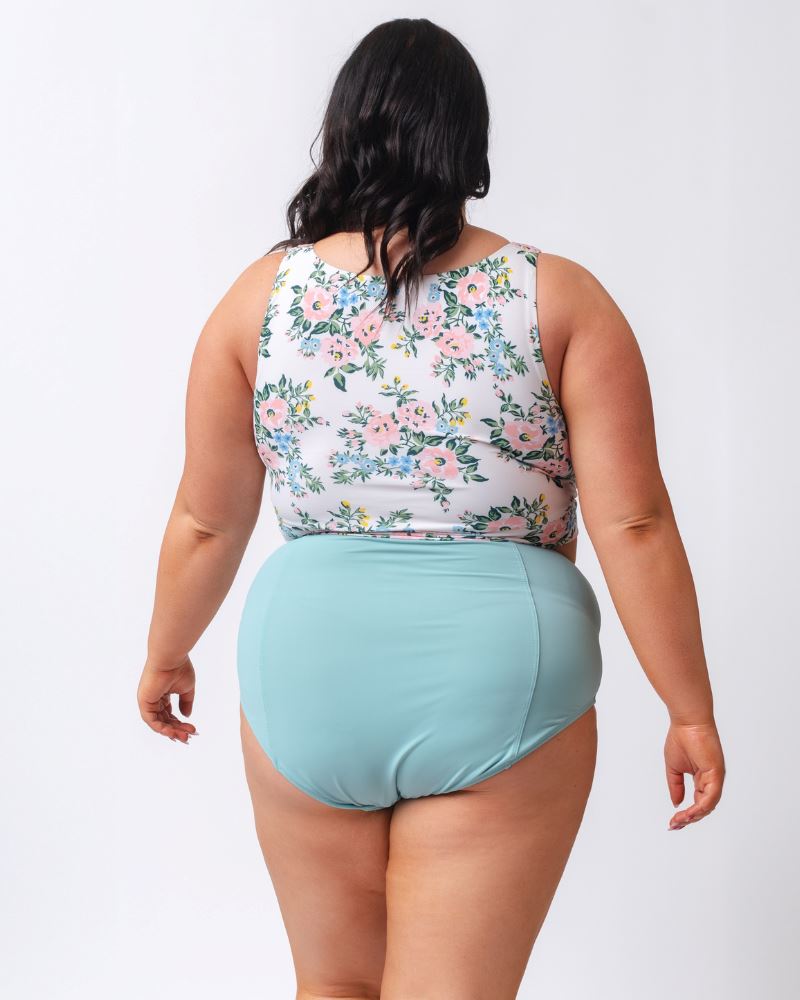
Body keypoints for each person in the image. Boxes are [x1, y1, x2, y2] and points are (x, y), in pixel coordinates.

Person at [137, 16, 726, 1000]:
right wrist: (688, 707)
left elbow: (206, 519)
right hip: (500, 662)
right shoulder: (559, 298)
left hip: (307, 664)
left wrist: (166, 650)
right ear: (468, 143)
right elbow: (634, 523)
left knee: (331, 985)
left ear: (341, 133)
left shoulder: (257, 301)